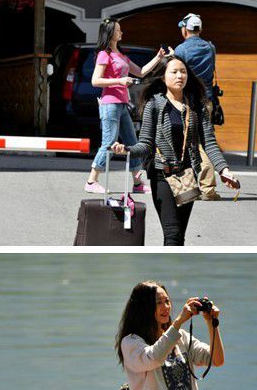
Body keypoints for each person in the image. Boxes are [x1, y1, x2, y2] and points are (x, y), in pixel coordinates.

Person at [111, 56, 239, 245]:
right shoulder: (153, 105)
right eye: (174, 72)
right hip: (162, 175)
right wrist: (127, 149)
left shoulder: (197, 106)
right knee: (171, 234)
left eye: (183, 71)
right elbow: (145, 144)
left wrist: (224, 170)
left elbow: (209, 143)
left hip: (187, 176)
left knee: (179, 237)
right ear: (163, 77)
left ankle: (174, 274)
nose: (180, 76)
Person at [85, 18, 166, 194]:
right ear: (110, 34)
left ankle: (137, 184)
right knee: (109, 142)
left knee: (132, 142)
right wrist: (120, 80)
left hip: (121, 104)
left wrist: (158, 58)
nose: (121, 32)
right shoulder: (104, 54)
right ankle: (91, 181)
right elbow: (95, 81)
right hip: (110, 104)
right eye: (118, 30)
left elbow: (142, 72)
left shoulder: (120, 56)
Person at [174, 13, 221, 201]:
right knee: (205, 141)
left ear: (185, 29)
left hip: (186, 100)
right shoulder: (210, 48)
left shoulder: (181, 49)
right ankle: (207, 188)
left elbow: (176, 72)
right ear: (200, 30)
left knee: (187, 143)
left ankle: (192, 189)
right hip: (206, 100)